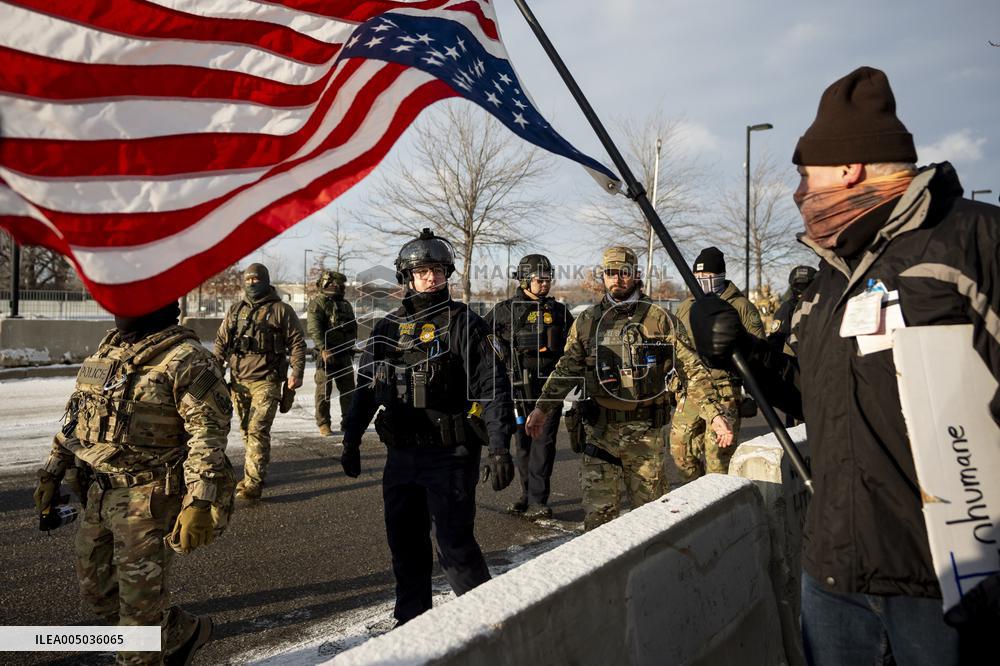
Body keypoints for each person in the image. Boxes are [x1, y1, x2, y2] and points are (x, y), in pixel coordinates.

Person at [688, 66, 1000, 665]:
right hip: (834, 578)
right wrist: (740, 353)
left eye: (806, 175)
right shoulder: (830, 281)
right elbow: (808, 394)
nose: (800, 192)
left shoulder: (972, 243)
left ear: (849, 168)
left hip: (948, 587)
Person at [33, 301, 235, 665]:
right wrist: (52, 471)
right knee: (99, 595)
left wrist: (200, 501)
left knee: (136, 629)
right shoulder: (109, 351)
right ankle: (183, 632)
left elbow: (208, 433)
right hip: (100, 493)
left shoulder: (187, 358)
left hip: (151, 497)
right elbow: (76, 417)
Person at [339, 228, 515, 625]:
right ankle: (412, 626)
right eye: (422, 271)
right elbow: (365, 388)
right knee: (405, 548)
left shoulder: (465, 324)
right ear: (407, 276)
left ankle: (488, 626)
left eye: (437, 269)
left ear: (447, 273)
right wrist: (350, 438)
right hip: (401, 457)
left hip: (450, 455)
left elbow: (493, 389)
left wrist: (501, 447)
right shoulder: (386, 329)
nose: (430, 278)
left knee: (455, 547)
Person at [524, 246, 733, 531]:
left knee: (652, 525)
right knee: (599, 525)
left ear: (635, 275)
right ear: (603, 277)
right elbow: (566, 369)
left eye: (624, 273)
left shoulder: (659, 319)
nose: (617, 279)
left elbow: (691, 369)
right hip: (599, 435)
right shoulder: (587, 322)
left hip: (644, 438)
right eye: (611, 273)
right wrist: (542, 408)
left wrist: (715, 414)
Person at [484, 254, 573, 520]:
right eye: (539, 279)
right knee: (522, 442)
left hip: (549, 389)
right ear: (524, 280)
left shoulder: (559, 312)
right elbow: (482, 338)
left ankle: (538, 499)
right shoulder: (504, 310)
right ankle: (526, 494)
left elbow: (575, 347)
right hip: (518, 387)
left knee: (543, 443)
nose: (545, 284)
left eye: (548, 279)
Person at [669, 247, 765, 481]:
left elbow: (759, 348)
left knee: (718, 458)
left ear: (720, 276)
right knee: (682, 451)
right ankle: (697, 496)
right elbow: (675, 345)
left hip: (725, 390)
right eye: (698, 278)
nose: (703, 283)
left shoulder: (740, 306)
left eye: (708, 278)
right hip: (691, 389)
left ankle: (720, 502)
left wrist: (750, 389)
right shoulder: (685, 307)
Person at [214, 263, 306, 500]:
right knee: (246, 430)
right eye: (248, 280)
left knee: (257, 429)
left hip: (268, 380)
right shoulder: (235, 310)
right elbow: (221, 343)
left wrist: (296, 372)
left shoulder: (281, 310)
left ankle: (253, 483)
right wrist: (214, 368)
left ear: (265, 281)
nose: (252, 284)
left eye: (256, 280)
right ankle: (253, 473)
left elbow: (297, 342)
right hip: (238, 381)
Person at [307, 270, 358, 436]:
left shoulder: (345, 305)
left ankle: (348, 422)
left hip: (344, 354)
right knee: (324, 391)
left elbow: (352, 327)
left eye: (340, 285)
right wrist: (323, 348)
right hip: (326, 355)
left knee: (349, 391)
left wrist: (350, 344)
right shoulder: (318, 303)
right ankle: (324, 423)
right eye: (334, 284)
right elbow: (314, 328)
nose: (338, 287)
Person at [768, 265, 817, 351]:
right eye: (799, 285)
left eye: (807, 285)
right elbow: (775, 342)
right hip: (797, 359)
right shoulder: (787, 308)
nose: (803, 289)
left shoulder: (825, 304)